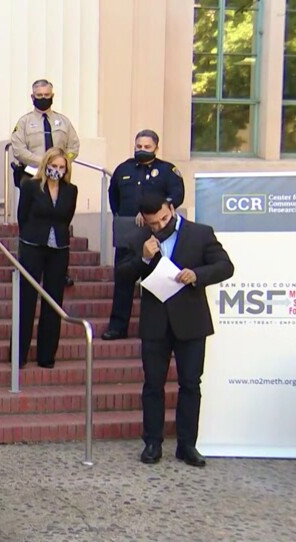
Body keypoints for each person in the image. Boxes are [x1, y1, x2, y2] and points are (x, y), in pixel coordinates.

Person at [117, 191, 233, 467]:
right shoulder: (138, 238)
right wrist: (143, 260)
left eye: (163, 220)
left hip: (191, 321)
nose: (158, 226)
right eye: (152, 223)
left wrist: (198, 275)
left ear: (171, 209)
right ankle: (152, 443)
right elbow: (121, 274)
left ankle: (187, 445)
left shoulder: (200, 233)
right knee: (153, 384)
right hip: (155, 322)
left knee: (191, 384)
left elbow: (225, 266)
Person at [102, 129, 185, 341]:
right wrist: (124, 217)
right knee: (123, 281)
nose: (142, 150)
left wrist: (151, 212)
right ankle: (118, 327)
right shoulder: (124, 169)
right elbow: (114, 196)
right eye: (139, 146)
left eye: (147, 147)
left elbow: (177, 195)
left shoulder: (167, 171)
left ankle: (153, 329)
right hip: (128, 235)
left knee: (154, 281)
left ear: (156, 148)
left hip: (155, 236)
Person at [14, 148, 78, 368]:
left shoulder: (71, 190)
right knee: (27, 299)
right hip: (33, 245)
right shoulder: (30, 186)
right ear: (46, 165)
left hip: (59, 248)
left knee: (53, 301)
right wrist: (29, 235)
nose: (57, 171)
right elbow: (22, 215)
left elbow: (66, 217)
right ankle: (19, 354)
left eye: (61, 167)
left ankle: (46, 355)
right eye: (54, 166)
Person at [11, 79, 79, 286]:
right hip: (33, 175)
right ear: (32, 97)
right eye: (38, 96)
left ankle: (60, 269)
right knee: (31, 220)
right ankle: (26, 260)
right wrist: (43, 163)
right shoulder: (24, 122)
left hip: (59, 177)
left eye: (46, 95)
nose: (43, 99)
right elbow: (18, 148)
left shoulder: (63, 122)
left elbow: (73, 147)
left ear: (52, 95)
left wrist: (60, 162)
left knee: (59, 219)